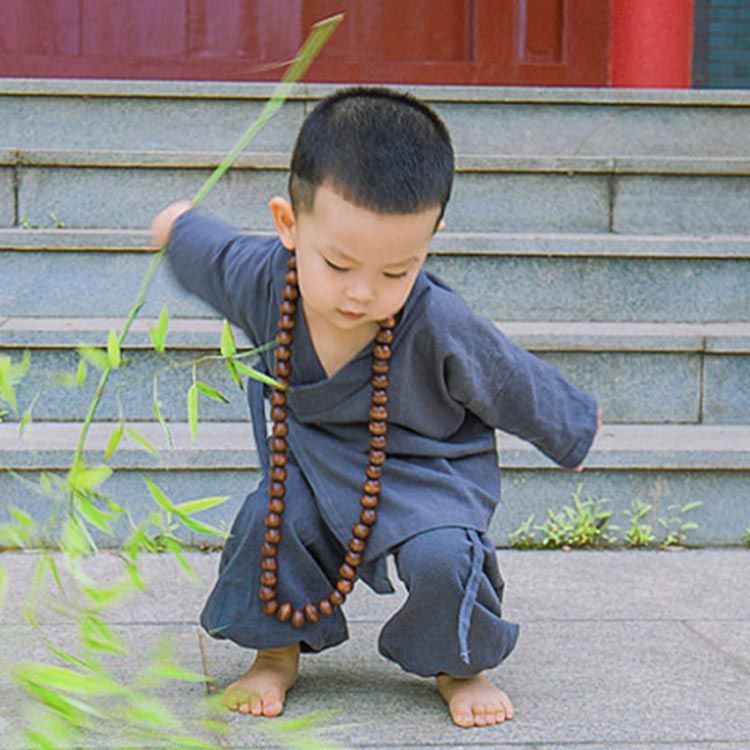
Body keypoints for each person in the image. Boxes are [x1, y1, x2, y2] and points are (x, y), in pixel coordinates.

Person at [149, 87, 599, 729]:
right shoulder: (264, 281)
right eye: (338, 264)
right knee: (268, 528)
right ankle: (275, 652)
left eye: (397, 272)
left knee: (447, 557)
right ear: (288, 225)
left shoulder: (437, 320)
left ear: (430, 240)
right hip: (310, 464)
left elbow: (507, 376)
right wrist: (175, 227)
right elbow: (210, 254)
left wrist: (570, 430)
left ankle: (459, 664)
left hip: (425, 469)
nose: (363, 293)